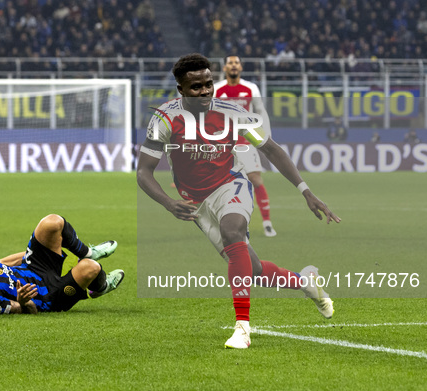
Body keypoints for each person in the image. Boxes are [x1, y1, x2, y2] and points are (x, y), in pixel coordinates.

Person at [137, 53, 341, 349]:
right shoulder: (165, 118)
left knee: (233, 231)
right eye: (196, 87)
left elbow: (271, 149)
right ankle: (305, 281)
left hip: (230, 184)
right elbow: (144, 171)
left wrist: (306, 190)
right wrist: (168, 203)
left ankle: (242, 329)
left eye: (209, 84)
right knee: (253, 270)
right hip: (195, 203)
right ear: (181, 90)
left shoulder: (232, 112)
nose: (206, 91)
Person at [0, 214, 124, 314]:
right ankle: (100, 287)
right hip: (48, 295)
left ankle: (88, 251)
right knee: (91, 267)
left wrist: (35, 251)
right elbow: (26, 310)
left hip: (33, 268)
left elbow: (1, 262)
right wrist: (22, 300)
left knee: (51, 222)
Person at [214, 55, 277, 237]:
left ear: (240, 67)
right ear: (224, 68)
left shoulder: (251, 88)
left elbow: (261, 111)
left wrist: (266, 136)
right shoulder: (217, 89)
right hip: (223, 143)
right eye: (230, 63)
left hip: (245, 141)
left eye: (236, 63)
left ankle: (267, 223)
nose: (233, 66)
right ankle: (225, 223)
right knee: (221, 186)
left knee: (256, 180)